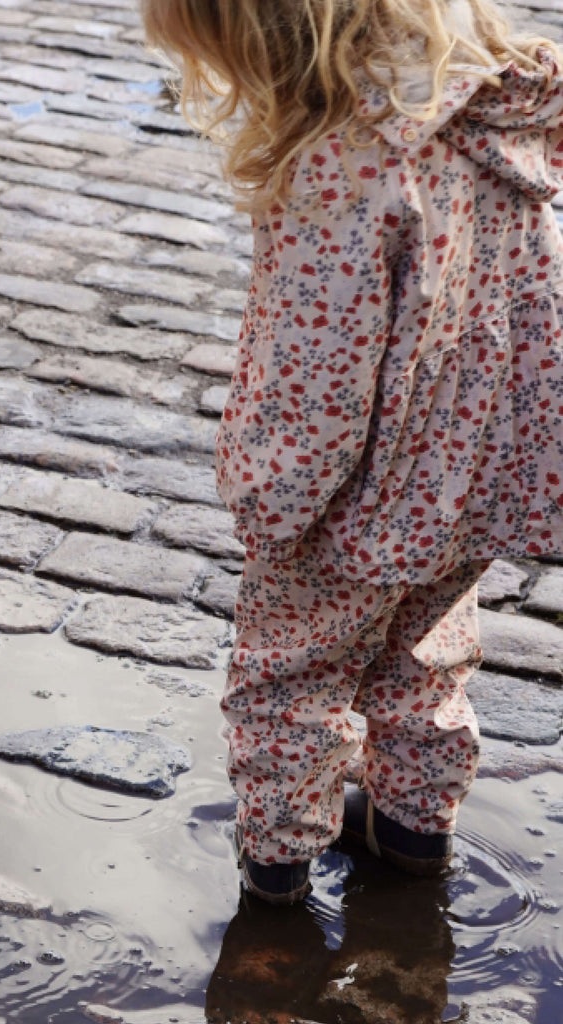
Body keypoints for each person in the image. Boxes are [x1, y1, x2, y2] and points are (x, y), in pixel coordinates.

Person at [141, 0, 563, 902]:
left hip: (359, 494)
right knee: (426, 653)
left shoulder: (340, 162)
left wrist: (272, 502)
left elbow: (315, 380)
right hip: (474, 471)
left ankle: (279, 871)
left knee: (291, 677)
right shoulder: (499, 114)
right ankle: (413, 829)